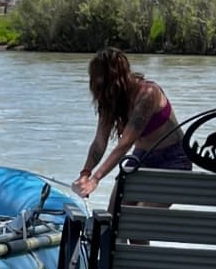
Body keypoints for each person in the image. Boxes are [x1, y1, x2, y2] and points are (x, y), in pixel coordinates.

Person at [75, 46, 192, 198]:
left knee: (141, 215)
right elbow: (99, 142)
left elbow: (125, 144)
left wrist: (96, 179)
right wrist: (85, 174)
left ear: (117, 77)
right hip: (141, 157)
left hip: (173, 160)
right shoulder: (110, 99)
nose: (99, 88)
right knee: (116, 213)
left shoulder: (148, 94)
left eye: (103, 82)